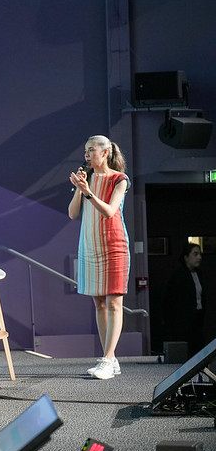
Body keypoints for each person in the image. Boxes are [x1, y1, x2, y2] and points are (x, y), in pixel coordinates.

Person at [68, 135, 130, 380]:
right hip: (90, 246)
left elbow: (109, 212)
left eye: (91, 150)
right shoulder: (88, 178)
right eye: (85, 151)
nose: (87, 155)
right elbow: (73, 214)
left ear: (105, 153)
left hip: (113, 245)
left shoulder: (119, 179)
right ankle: (110, 359)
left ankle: (107, 358)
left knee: (114, 303)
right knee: (99, 303)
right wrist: (80, 189)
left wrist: (89, 193)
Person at [163, 243, 210, 356]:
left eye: (200, 254)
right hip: (183, 321)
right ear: (186, 257)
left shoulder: (198, 274)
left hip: (197, 318)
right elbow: (172, 300)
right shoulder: (179, 275)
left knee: (199, 348)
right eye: (195, 254)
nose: (199, 257)